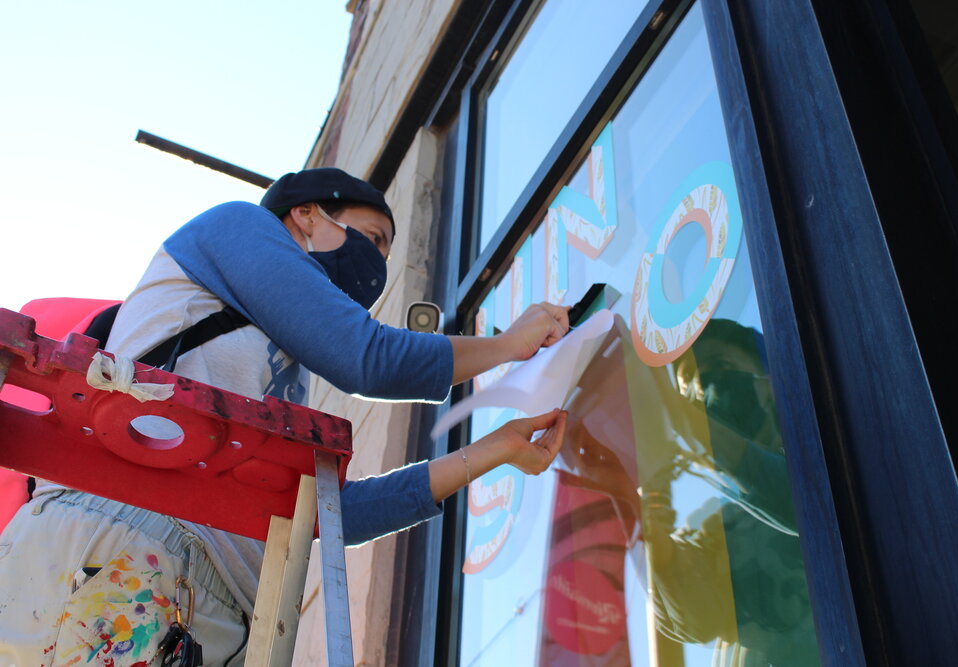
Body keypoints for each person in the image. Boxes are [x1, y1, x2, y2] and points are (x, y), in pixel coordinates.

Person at [0, 168, 569, 666]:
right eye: (371, 239)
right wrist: (506, 347)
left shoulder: (286, 374)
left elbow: (323, 514)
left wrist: (491, 452)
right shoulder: (237, 228)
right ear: (305, 214)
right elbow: (366, 357)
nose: (375, 266)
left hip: (221, 614)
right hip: (123, 548)